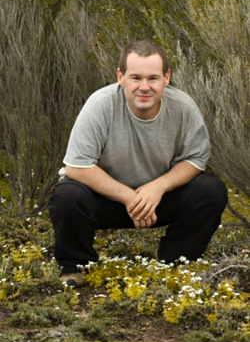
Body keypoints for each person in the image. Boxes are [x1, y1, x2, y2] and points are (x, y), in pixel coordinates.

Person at [49, 40, 228, 287]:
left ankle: (177, 265)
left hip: (158, 200)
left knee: (211, 191)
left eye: (153, 78)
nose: (145, 87)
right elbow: (77, 166)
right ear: (120, 77)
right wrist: (130, 198)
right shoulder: (100, 104)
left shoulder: (183, 107)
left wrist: (158, 187)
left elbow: (196, 159)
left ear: (166, 77)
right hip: (106, 199)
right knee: (67, 195)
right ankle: (75, 267)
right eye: (136, 78)